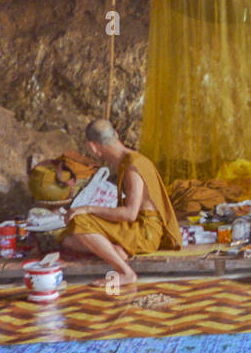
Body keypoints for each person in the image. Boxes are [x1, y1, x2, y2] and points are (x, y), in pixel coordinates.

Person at [60, 119, 181, 285]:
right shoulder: (126, 161)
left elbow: (130, 214)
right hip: (137, 228)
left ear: (93, 148)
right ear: (116, 135)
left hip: (146, 233)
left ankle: (126, 272)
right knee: (68, 239)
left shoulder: (133, 166)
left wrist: (87, 208)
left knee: (79, 221)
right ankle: (117, 251)